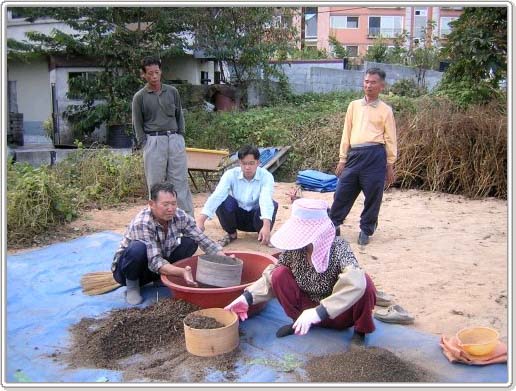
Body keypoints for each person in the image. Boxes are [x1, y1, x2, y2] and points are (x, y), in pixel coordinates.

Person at [224, 198, 377, 344]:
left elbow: (355, 282)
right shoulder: (296, 248)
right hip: (304, 314)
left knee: (365, 282)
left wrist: (319, 312)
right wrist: (247, 297)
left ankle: (360, 333)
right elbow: (272, 276)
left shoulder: (338, 247)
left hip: (338, 312)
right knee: (279, 274)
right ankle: (297, 324)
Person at [111, 182, 226, 305]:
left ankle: (161, 278)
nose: (170, 209)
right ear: (152, 204)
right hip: (130, 270)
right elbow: (154, 260)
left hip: (157, 267)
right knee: (137, 248)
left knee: (190, 241)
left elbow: (201, 237)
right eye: (165, 204)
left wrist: (222, 257)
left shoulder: (179, 215)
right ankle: (132, 286)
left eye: (173, 203)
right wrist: (181, 272)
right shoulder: (143, 222)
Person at [329, 67, 397, 246]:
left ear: (381, 86)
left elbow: (390, 138)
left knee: (373, 194)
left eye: (373, 82)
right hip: (354, 155)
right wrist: (343, 158)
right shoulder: (353, 106)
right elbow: (346, 132)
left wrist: (390, 164)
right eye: (366, 81)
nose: (368, 85)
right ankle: (334, 223)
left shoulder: (385, 110)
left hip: (375, 155)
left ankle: (366, 229)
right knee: (343, 190)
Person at [132, 56, 194, 217]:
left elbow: (179, 114)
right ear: (143, 75)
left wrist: (180, 135)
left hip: (174, 139)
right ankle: (157, 221)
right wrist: (144, 142)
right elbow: (137, 123)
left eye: (157, 72)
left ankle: (186, 220)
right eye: (150, 73)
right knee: (156, 184)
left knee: (180, 181)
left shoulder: (172, 92)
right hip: (153, 141)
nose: (154, 76)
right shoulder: (140, 97)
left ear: (161, 72)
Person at [196, 145, 278, 247]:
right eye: (244, 163)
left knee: (272, 204)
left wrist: (266, 226)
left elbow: (265, 199)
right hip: (237, 218)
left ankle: (263, 234)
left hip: (256, 219)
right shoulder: (230, 174)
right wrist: (200, 221)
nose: (247, 167)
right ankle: (231, 233)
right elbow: (217, 196)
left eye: (251, 163)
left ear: (258, 163)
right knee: (223, 200)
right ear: (239, 162)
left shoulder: (266, 176)